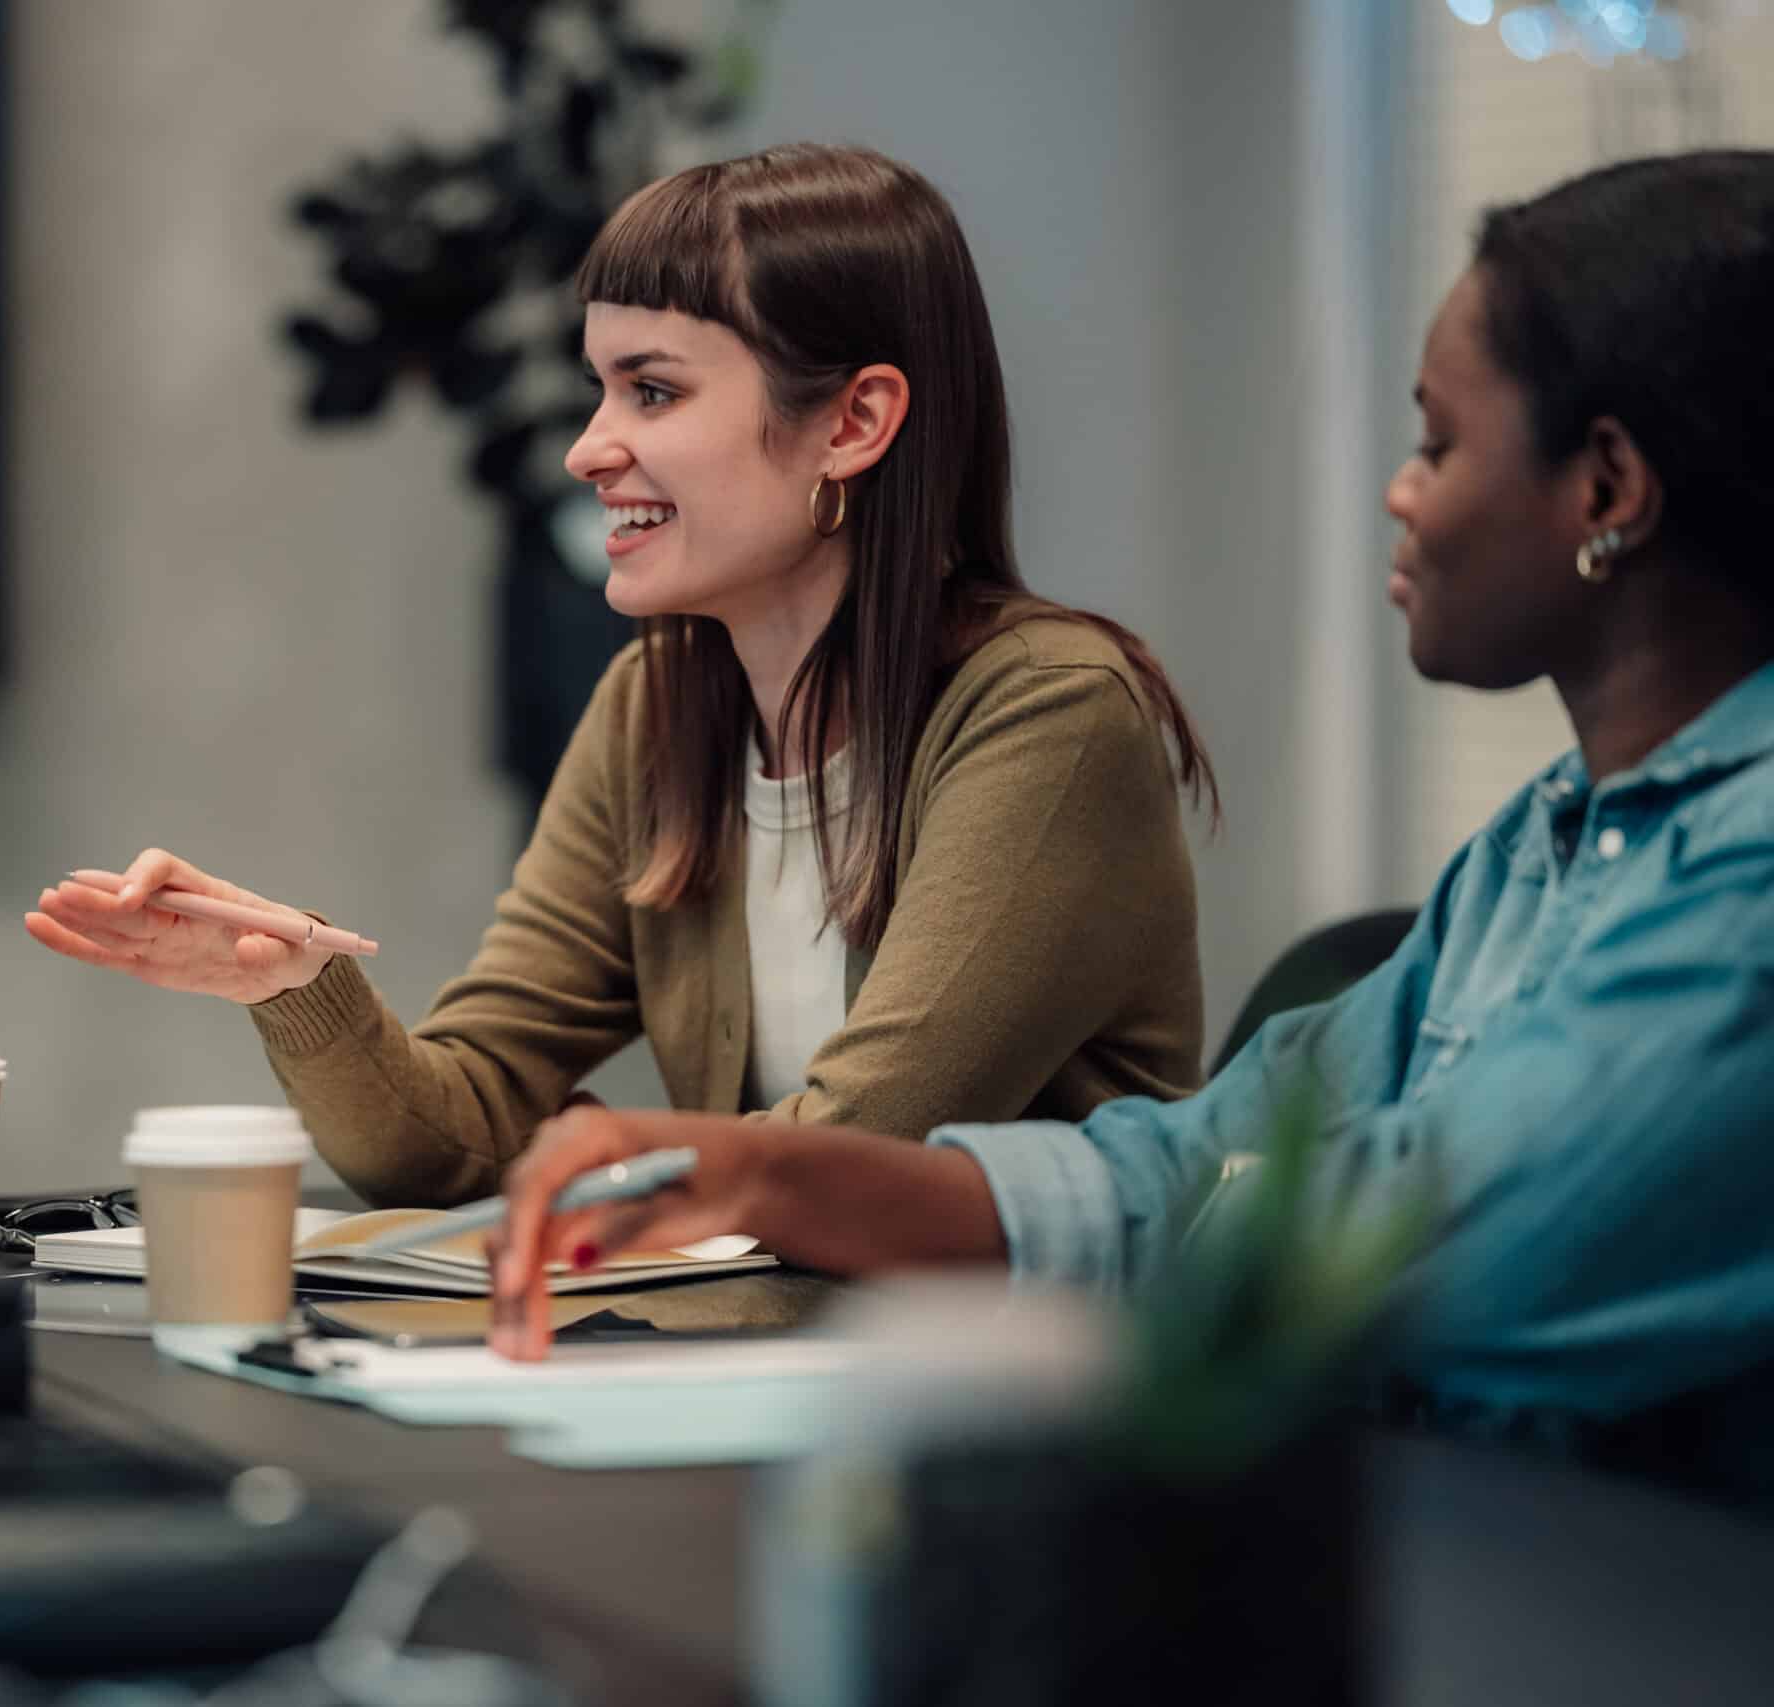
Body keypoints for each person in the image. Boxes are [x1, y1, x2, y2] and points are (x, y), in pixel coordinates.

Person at [485, 151, 1774, 1505]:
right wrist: (761, 1170)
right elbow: (1221, 1150)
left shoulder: (1746, 882)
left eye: (1438, 444)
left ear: (1609, 487)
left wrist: (787, 1175)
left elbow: (1420, 1230)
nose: (1402, 493)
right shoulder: (1543, 844)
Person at [26, 143, 1216, 1207]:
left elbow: (855, 1158)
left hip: (1029, 1424)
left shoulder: (1048, 711)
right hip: (772, 1383)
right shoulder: (654, 709)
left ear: (852, 423)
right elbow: (449, 1135)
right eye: (600, 389)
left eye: (652, 389)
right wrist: (289, 983)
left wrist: (604, 1156)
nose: (588, 448)